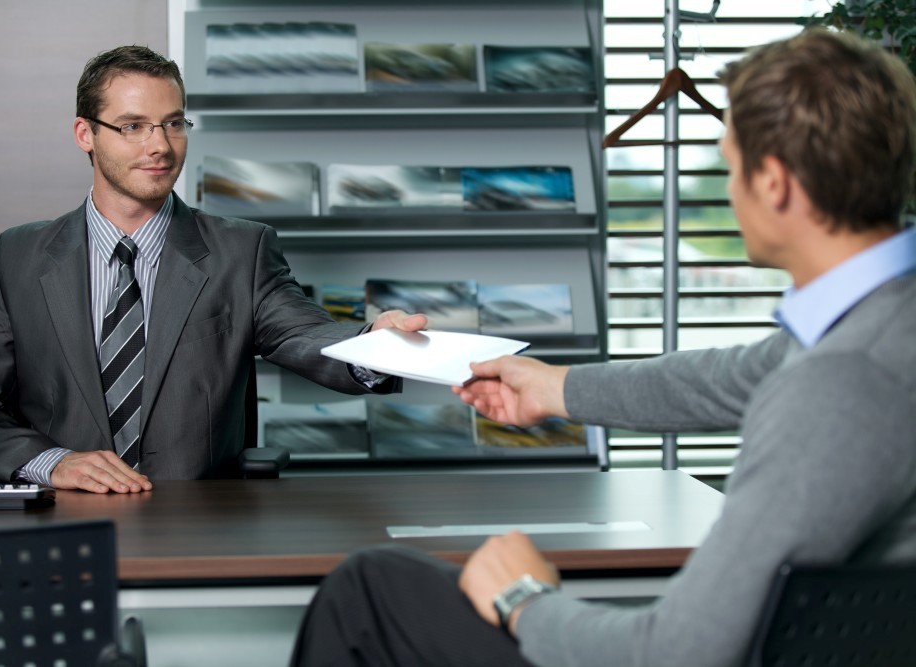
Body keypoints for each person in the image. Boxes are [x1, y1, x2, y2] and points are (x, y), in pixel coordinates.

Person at [288, 28, 916, 667]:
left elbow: (677, 652)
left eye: (730, 166)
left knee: (370, 590)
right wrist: (551, 387)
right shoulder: (882, 324)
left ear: (775, 183)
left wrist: (523, 600)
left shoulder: (841, 382)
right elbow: (721, 378)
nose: (729, 190)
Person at [0, 45, 425, 494]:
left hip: (199, 522)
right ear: (85, 134)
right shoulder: (19, 257)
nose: (160, 145)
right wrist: (52, 463)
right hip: (60, 520)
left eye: (174, 123)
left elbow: (307, 333)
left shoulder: (240, 250)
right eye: (133, 126)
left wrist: (374, 345)